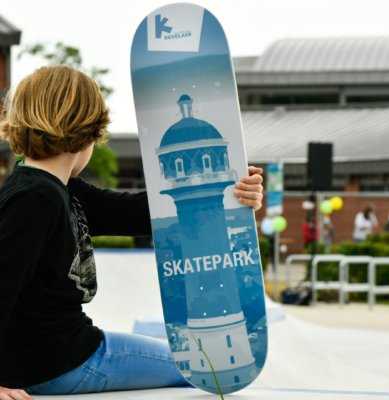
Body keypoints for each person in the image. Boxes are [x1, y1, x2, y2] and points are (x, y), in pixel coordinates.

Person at [0, 65, 265, 398]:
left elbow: (136, 212)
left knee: (195, 362)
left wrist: (233, 192)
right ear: (88, 131)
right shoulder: (37, 198)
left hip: (58, 356)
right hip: (59, 364)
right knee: (206, 367)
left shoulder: (58, 189)